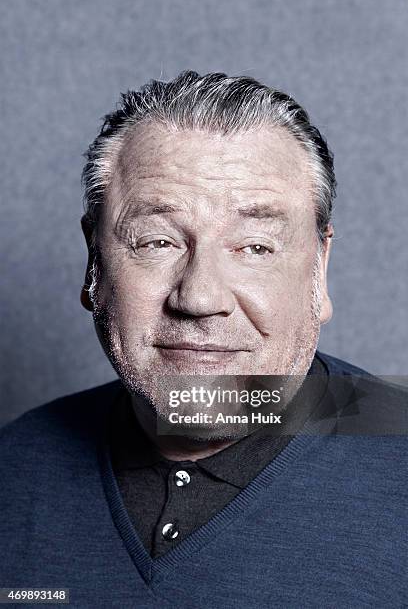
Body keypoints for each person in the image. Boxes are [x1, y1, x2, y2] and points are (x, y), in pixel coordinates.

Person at [0, 71, 406, 608]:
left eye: (255, 247)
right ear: (94, 262)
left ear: (319, 269)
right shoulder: (13, 468)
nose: (199, 297)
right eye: (157, 240)